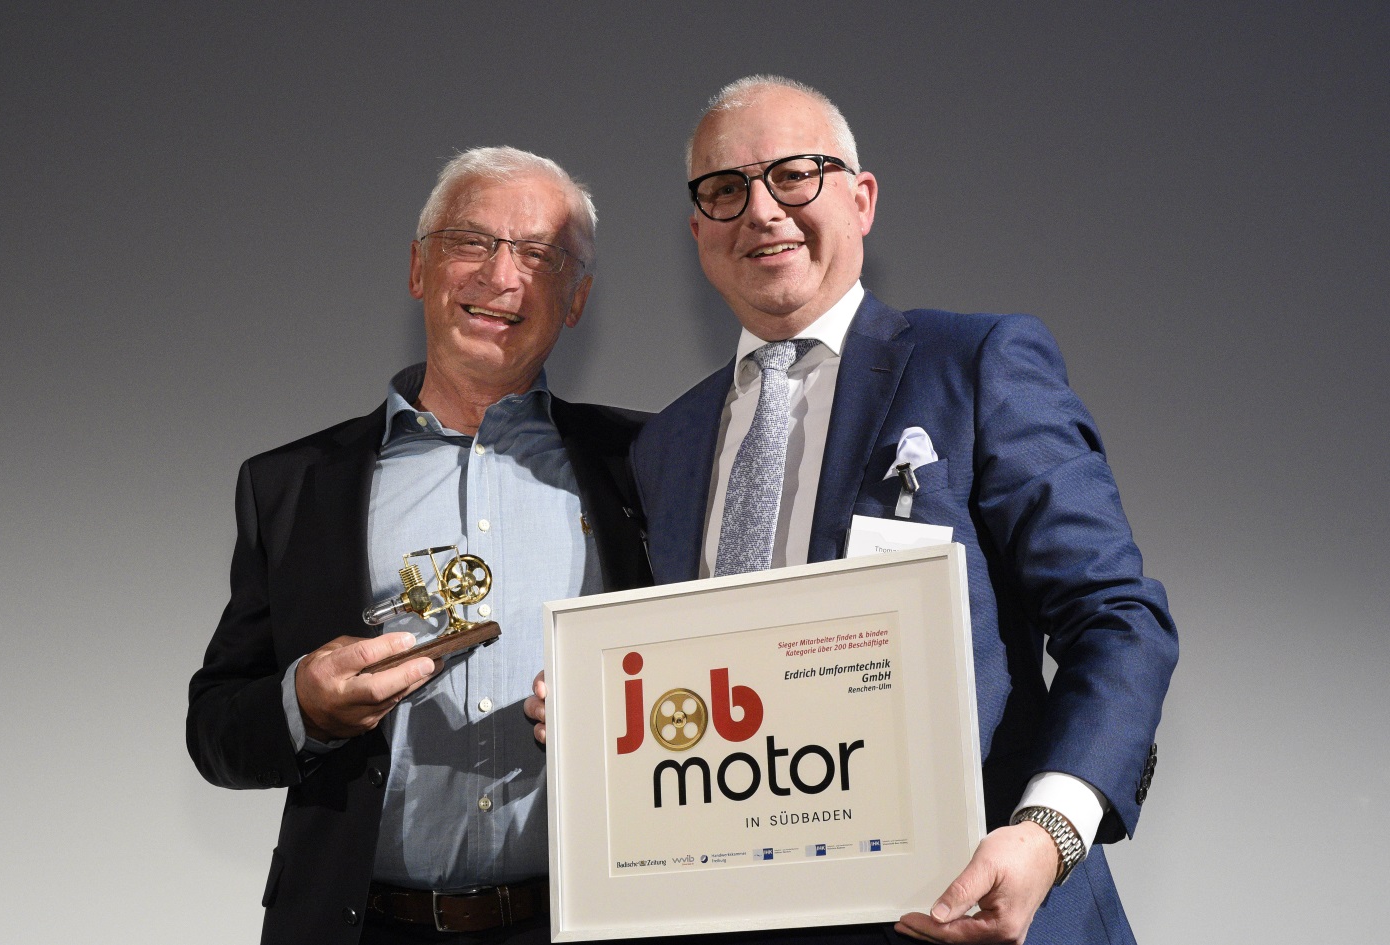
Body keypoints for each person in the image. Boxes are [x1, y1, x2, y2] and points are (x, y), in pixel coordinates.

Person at [629, 76, 1178, 945]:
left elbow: (1117, 618)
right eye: (726, 189)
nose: (762, 210)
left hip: (976, 908)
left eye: (794, 174)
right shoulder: (666, 443)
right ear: (699, 230)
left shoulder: (974, 363)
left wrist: (1050, 831)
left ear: (861, 199)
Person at [187, 146, 651, 945]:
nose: (500, 275)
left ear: (575, 298)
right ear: (417, 269)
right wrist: (305, 705)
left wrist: (630, 714)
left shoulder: (647, 466)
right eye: (471, 241)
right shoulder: (293, 486)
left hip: (583, 925)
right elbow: (216, 729)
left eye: (538, 254)